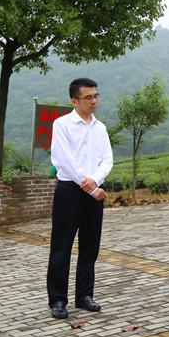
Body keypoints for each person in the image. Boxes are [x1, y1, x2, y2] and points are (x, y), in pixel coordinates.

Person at [46, 78, 113, 319]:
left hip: (94, 190)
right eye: (88, 97)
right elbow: (63, 160)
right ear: (74, 101)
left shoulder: (100, 127)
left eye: (96, 96)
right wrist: (89, 185)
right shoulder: (62, 125)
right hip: (70, 191)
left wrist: (95, 180)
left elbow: (107, 160)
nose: (93, 101)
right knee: (61, 247)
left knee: (90, 246)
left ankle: (84, 294)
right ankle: (57, 299)